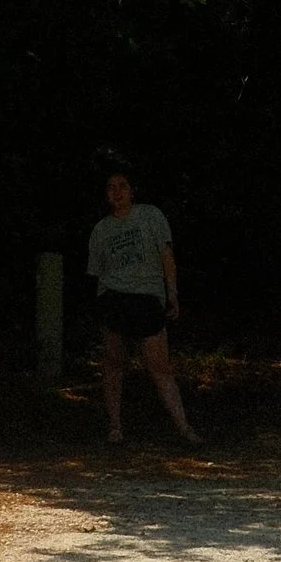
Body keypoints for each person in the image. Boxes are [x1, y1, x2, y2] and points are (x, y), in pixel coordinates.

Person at [86, 155, 202, 447]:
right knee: (113, 363)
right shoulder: (101, 230)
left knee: (159, 367)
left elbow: (166, 256)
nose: (117, 191)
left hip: (147, 298)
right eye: (111, 187)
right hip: (114, 298)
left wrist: (172, 293)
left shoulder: (151, 216)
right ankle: (115, 427)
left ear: (132, 190)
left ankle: (184, 428)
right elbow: (97, 273)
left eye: (122, 185)